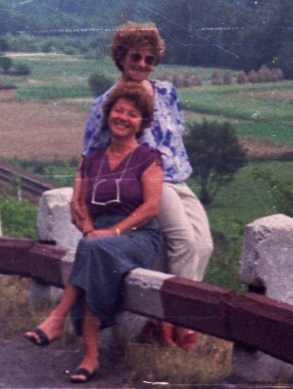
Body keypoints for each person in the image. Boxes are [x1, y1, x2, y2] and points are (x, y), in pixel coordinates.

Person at [80, 22, 212, 347]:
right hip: (147, 182)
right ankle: (179, 328)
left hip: (179, 176)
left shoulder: (166, 92)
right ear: (121, 57)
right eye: (135, 57)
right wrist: (84, 201)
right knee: (183, 243)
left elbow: (176, 134)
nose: (142, 65)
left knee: (204, 245)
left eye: (149, 59)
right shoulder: (106, 103)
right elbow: (90, 153)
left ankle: (156, 319)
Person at [23, 81, 163, 382]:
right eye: (119, 110)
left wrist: (112, 231)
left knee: (91, 250)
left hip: (138, 236)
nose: (124, 117)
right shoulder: (93, 158)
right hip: (99, 238)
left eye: (133, 114)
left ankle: (59, 320)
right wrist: (87, 227)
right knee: (92, 252)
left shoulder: (148, 158)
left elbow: (151, 208)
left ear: (142, 123)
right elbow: (79, 203)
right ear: (108, 113)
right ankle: (89, 357)